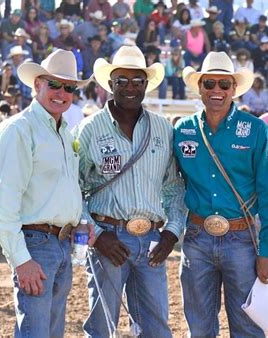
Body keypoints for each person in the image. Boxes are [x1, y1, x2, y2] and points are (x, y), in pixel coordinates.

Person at [174, 51, 268, 337]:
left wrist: (267, 250)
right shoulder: (182, 130)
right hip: (197, 236)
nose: (216, 91)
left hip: (242, 239)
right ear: (199, 87)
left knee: (248, 327)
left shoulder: (257, 131)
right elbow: (171, 184)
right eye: (209, 84)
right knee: (198, 327)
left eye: (224, 85)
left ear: (234, 89)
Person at [76, 45, 186, 337]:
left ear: (146, 85)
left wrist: (172, 232)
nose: (129, 87)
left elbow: (174, 186)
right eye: (121, 81)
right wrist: (97, 236)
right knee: (102, 327)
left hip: (151, 239)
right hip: (107, 239)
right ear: (109, 84)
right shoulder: (88, 130)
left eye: (137, 81)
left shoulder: (163, 129)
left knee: (156, 328)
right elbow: (72, 189)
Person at [0, 49, 94, 337]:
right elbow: (3, 201)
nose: (62, 93)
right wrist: (21, 259)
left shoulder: (64, 132)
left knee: (48, 332)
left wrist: (81, 219)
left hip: (60, 244)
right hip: (36, 243)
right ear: (37, 85)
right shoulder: (19, 130)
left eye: (69, 87)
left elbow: (70, 187)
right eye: (54, 85)